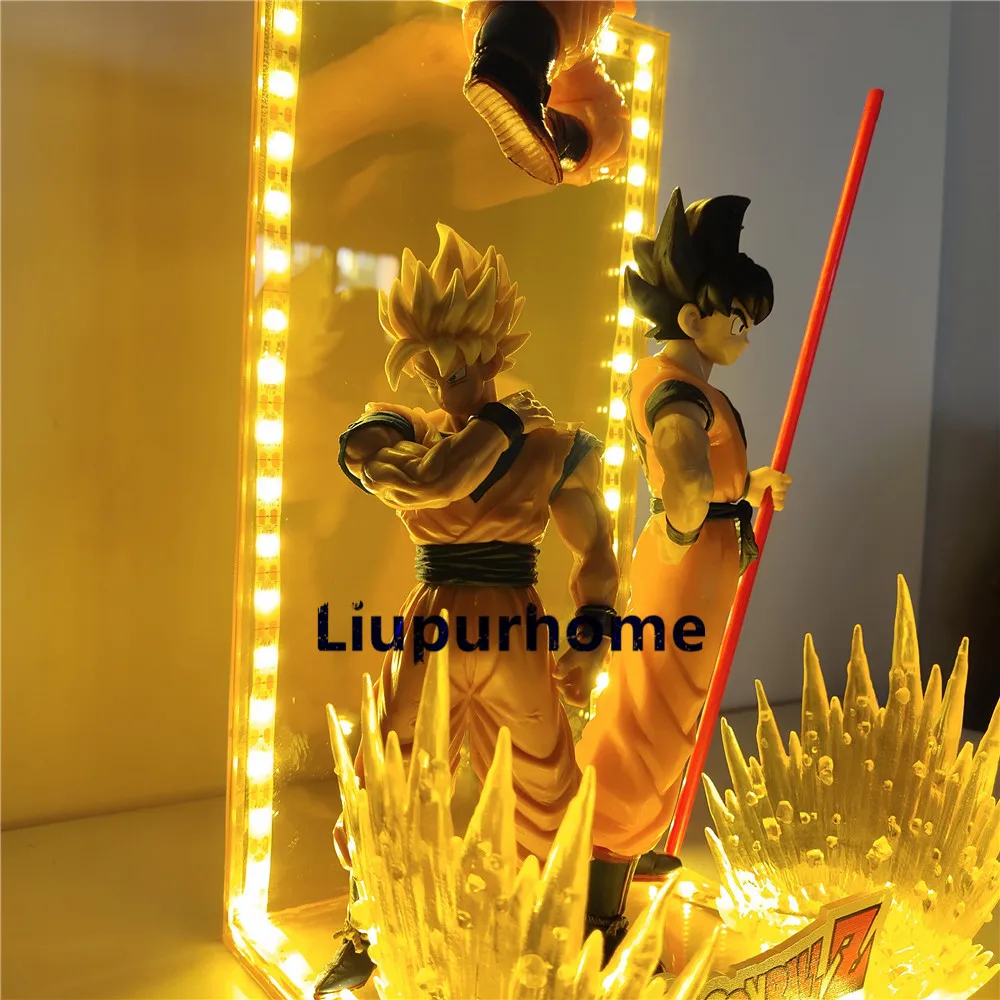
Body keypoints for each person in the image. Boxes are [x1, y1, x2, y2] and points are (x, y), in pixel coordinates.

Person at [314, 223, 619, 995]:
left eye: (460, 363)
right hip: (434, 626)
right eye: (432, 364)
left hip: (515, 627)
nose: (446, 381)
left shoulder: (556, 445)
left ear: (493, 351)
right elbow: (435, 482)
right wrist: (506, 420)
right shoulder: (393, 430)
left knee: (544, 785)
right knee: (391, 775)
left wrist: (591, 636)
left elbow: (597, 552)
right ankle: (368, 929)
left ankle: (546, 933)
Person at [571, 188, 792, 961]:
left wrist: (750, 486)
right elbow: (684, 469)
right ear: (695, 317)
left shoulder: (697, 386)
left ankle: (632, 847)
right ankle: (599, 884)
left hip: (699, 563)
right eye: (740, 320)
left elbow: (711, 478)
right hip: (684, 566)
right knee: (650, 716)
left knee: (676, 714)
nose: (746, 337)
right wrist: (688, 518)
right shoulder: (673, 390)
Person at [461, 0, 636, 186]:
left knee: (611, 136)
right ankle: (511, 62)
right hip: (529, 37)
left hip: (510, 38)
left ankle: (552, 133)